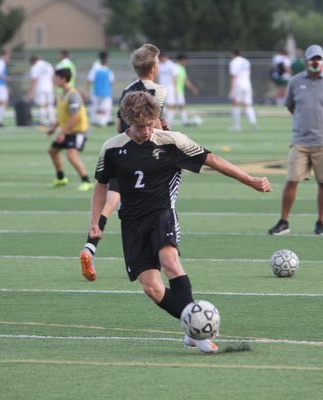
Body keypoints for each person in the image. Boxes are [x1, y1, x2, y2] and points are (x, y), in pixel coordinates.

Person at [87, 91, 272, 353]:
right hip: (131, 223)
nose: (147, 130)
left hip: (162, 214)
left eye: (151, 123)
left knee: (170, 261)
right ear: (127, 121)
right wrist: (95, 222)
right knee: (152, 288)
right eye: (140, 126)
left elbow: (214, 161)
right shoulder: (112, 148)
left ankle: (199, 335)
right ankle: (193, 327)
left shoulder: (173, 142)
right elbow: (100, 186)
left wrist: (250, 181)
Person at [79, 43, 167, 281]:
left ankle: (90, 246)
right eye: (158, 62)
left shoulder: (128, 89)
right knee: (152, 207)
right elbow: (153, 124)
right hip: (144, 152)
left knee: (112, 197)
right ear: (153, 67)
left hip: (121, 147)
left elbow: (124, 122)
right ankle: (158, 256)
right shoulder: (158, 91)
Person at [269, 44, 323, 236]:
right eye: (312, 59)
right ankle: (284, 222)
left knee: (322, 183)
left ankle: (321, 223)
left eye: (319, 58)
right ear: (306, 61)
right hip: (300, 140)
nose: (316, 62)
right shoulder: (295, 81)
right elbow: (291, 107)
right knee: (291, 180)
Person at [47, 68, 92, 192]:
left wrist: (62, 133)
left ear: (63, 79)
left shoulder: (73, 95)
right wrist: (53, 128)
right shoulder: (62, 94)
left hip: (78, 132)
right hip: (68, 131)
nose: (54, 80)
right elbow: (62, 116)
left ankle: (86, 181)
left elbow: (75, 117)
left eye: (56, 77)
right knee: (52, 151)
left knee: (71, 156)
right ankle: (61, 178)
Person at [228, 49, 258, 132]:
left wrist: (231, 90)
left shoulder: (234, 62)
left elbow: (233, 77)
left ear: (233, 54)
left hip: (238, 85)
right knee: (248, 104)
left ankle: (236, 126)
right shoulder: (246, 61)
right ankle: (253, 122)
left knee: (235, 104)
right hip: (247, 84)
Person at [85, 51, 115, 127]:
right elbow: (111, 83)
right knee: (102, 109)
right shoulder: (107, 71)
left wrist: (87, 90)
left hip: (99, 92)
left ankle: (100, 121)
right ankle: (100, 121)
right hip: (103, 93)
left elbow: (89, 80)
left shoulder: (96, 70)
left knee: (99, 109)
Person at [27, 55, 56, 127]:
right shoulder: (48, 65)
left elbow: (34, 80)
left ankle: (42, 122)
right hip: (49, 87)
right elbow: (53, 77)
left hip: (40, 88)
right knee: (50, 104)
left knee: (42, 105)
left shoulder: (35, 67)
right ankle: (52, 121)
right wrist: (54, 88)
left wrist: (31, 92)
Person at [175, 54, 199, 126]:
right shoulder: (175, 68)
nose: (186, 62)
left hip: (179, 91)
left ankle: (184, 121)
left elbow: (185, 80)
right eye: (185, 61)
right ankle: (167, 122)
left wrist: (193, 88)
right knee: (171, 106)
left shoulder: (182, 69)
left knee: (181, 106)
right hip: (174, 91)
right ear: (181, 60)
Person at [158, 52, 178, 127]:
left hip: (170, 88)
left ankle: (169, 123)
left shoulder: (172, 65)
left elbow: (174, 77)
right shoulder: (159, 65)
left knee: (170, 104)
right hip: (161, 88)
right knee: (160, 106)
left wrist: (175, 88)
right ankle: (165, 121)